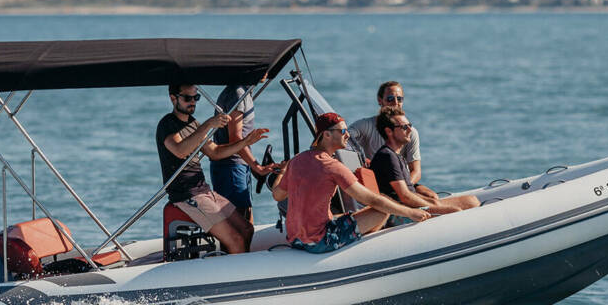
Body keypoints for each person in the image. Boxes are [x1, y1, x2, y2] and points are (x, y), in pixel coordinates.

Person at [272, 112, 429, 253]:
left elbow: (277, 195)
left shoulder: (296, 161)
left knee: (344, 214)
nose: (348, 135)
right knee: (381, 210)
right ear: (326, 134)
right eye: (343, 131)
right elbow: (371, 199)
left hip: (295, 239)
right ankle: (362, 251)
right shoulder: (332, 166)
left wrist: (283, 171)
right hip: (321, 241)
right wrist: (411, 212)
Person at [157, 84, 269, 254]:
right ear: (173, 98)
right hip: (186, 194)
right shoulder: (167, 124)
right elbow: (180, 151)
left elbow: (215, 152)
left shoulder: (193, 124)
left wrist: (245, 143)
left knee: (247, 229)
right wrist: (209, 124)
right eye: (188, 98)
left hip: (203, 189)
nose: (192, 102)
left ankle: (240, 267)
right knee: (236, 239)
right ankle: (238, 279)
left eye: (196, 98)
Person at [371, 109, 480, 214]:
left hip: (413, 206)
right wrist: (434, 207)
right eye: (404, 127)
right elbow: (405, 197)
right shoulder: (387, 156)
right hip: (405, 213)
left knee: (472, 201)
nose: (409, 130)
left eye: (410, 125)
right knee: (460, 208)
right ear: (389, 131)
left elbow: (409, 193)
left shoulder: (395, 155)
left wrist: (431, 201)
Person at [348, 80, 439, 203]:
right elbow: (344, 138)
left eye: (399, 99)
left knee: (432, 196)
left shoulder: (410, 132)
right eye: (390, 98)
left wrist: (404, 187)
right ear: (380, 100)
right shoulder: (365, 125)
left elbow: (416, 171)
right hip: (380, 184)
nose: (395, 102)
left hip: (402, 182)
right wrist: (361, 157)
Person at [209, 84, 277, 222]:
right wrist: (258, 167)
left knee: (245, 222)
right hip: (231, 168)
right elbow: (236, 138)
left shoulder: (243, 92)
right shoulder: (238, 94)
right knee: (241, 226)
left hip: (236, 166)